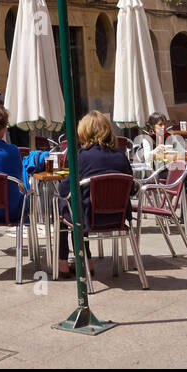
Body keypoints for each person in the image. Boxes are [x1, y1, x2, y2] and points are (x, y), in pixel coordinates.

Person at [56, 111, 134, 276]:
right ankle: (86, 261)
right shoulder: (121, 156)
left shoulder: (82, 157)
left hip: (89, 219)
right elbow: (132, 189)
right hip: (118, 219)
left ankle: (65, 263)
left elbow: (64, 191)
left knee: (62, 205)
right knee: (78, 205)